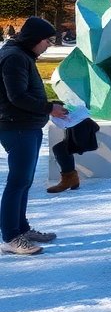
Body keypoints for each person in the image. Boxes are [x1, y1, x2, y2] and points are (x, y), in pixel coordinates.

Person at [0, 17, 69, 255]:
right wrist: (49, 108)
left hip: (25, 125)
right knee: (18, 181)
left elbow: (23, 93)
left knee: (24, 181)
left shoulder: (21, 55)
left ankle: (22, 228)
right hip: (17, 126)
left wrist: (50, 105)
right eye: (47, 40)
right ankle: (11, 237)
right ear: (35, 39)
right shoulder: (14, 57)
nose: (49, 45)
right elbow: (17, 97)